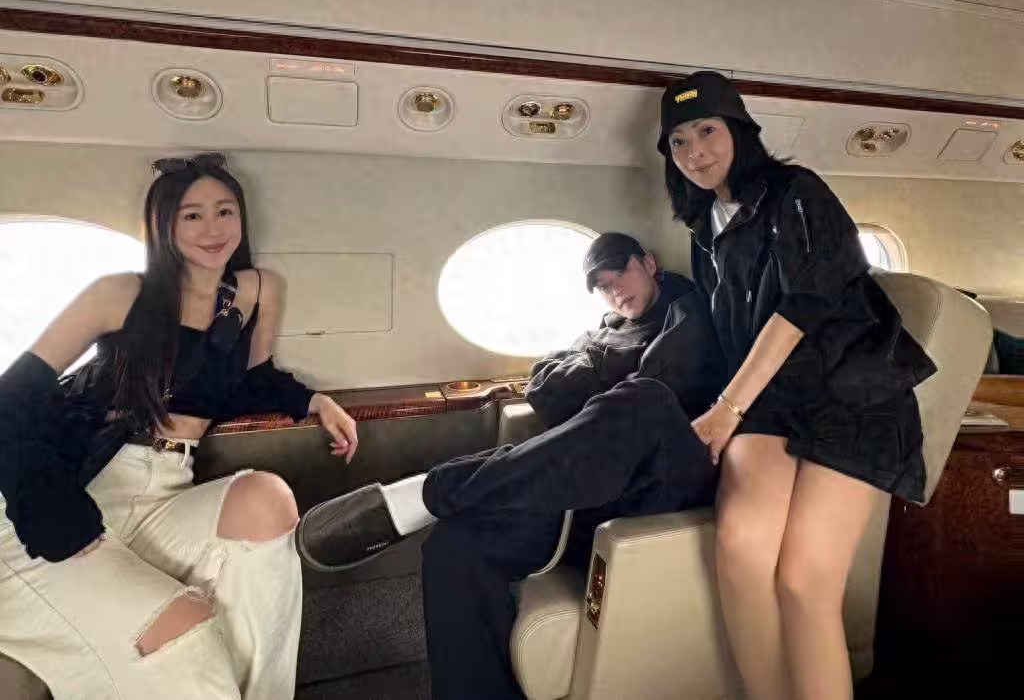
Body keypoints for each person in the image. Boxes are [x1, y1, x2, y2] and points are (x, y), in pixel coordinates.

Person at [297, 232, 724, 700]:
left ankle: (431, 491)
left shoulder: (687, 312)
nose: (614, 291)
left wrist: (594, 374)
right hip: (588, 493)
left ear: (649, 263)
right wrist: (600, 373)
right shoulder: (602, 331)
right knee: (454, 546)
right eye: (602, 286)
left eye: (619, 273)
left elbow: (657, 386)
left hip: (660, 482)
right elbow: (543, 385)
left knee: (644, 399)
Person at [0, 153, 358, 700]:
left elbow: (251, 379)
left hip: (167, 482)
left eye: (224, 211)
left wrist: (313, 400)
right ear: (164, 225)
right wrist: (54, 514)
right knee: (180, 629)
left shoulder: (257, 291)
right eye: (192, 216)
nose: (212, 228)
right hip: (80, 484)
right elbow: (12, 400)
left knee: (267, 500)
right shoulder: (120, 293)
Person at [657, 71, 937, 700]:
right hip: (772, 399)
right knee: (740, 551)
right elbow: (728, 335)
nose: (695, 151)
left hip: (851, 392)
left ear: (739, 130)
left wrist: (727, 409)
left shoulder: (796, 191)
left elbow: (804, 304)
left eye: (707, 130)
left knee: (804, 583)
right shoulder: (704, 228)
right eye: (679, 141)